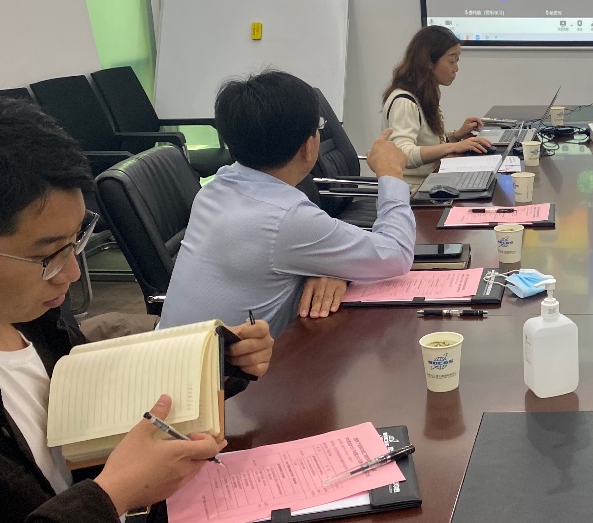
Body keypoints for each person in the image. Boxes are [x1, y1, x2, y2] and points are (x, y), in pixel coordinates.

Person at [0, 95, 273, 523]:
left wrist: (215, 363)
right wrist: (111, 497)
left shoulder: (33, 317)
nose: (72, 273)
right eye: (47, 254)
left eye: (76, 241)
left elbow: (88, 414)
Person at [159, 71, 419, 337]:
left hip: (167, 352)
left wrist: (333, 267)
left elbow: (268, 258)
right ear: (308, 147)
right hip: (220, 364)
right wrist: (390, 173)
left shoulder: (213, 190)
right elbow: (397, 253)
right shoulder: (286, 218)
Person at [382, 26, 492, 188]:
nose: (456, 68)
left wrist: (455, 135)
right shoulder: (404, 101)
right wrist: (453, 147)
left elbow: (425, 143)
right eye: (451, 61)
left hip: (430, 181)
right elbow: (403, 153)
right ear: (429, 62)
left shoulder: (423, 93)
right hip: (410, 192)